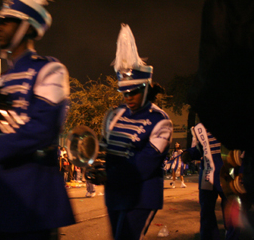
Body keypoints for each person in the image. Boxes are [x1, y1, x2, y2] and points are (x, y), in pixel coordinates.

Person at [0, 0, 75, 238]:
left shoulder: (50, 70)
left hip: (34, 196)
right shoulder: (2, 81)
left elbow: (42, 129)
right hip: (0, 192)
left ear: (26, 26)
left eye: (7, 21)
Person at [102, 24, 173, 240]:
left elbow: (145, 164)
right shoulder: (113, 115)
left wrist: (109, 175)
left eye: (133, 92)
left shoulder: (161, 121)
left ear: (146, 88)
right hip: (115, 193)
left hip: (142, 196)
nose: (128, 98)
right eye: (124, 92)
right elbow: (106, 151)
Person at [183, 122, 239, 240]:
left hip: (228, 175)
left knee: (231, 215)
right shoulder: (199, 128)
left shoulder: (230, 122)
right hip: (207, 176)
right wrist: (189, 153)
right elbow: (199, 150)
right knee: (206, 214)